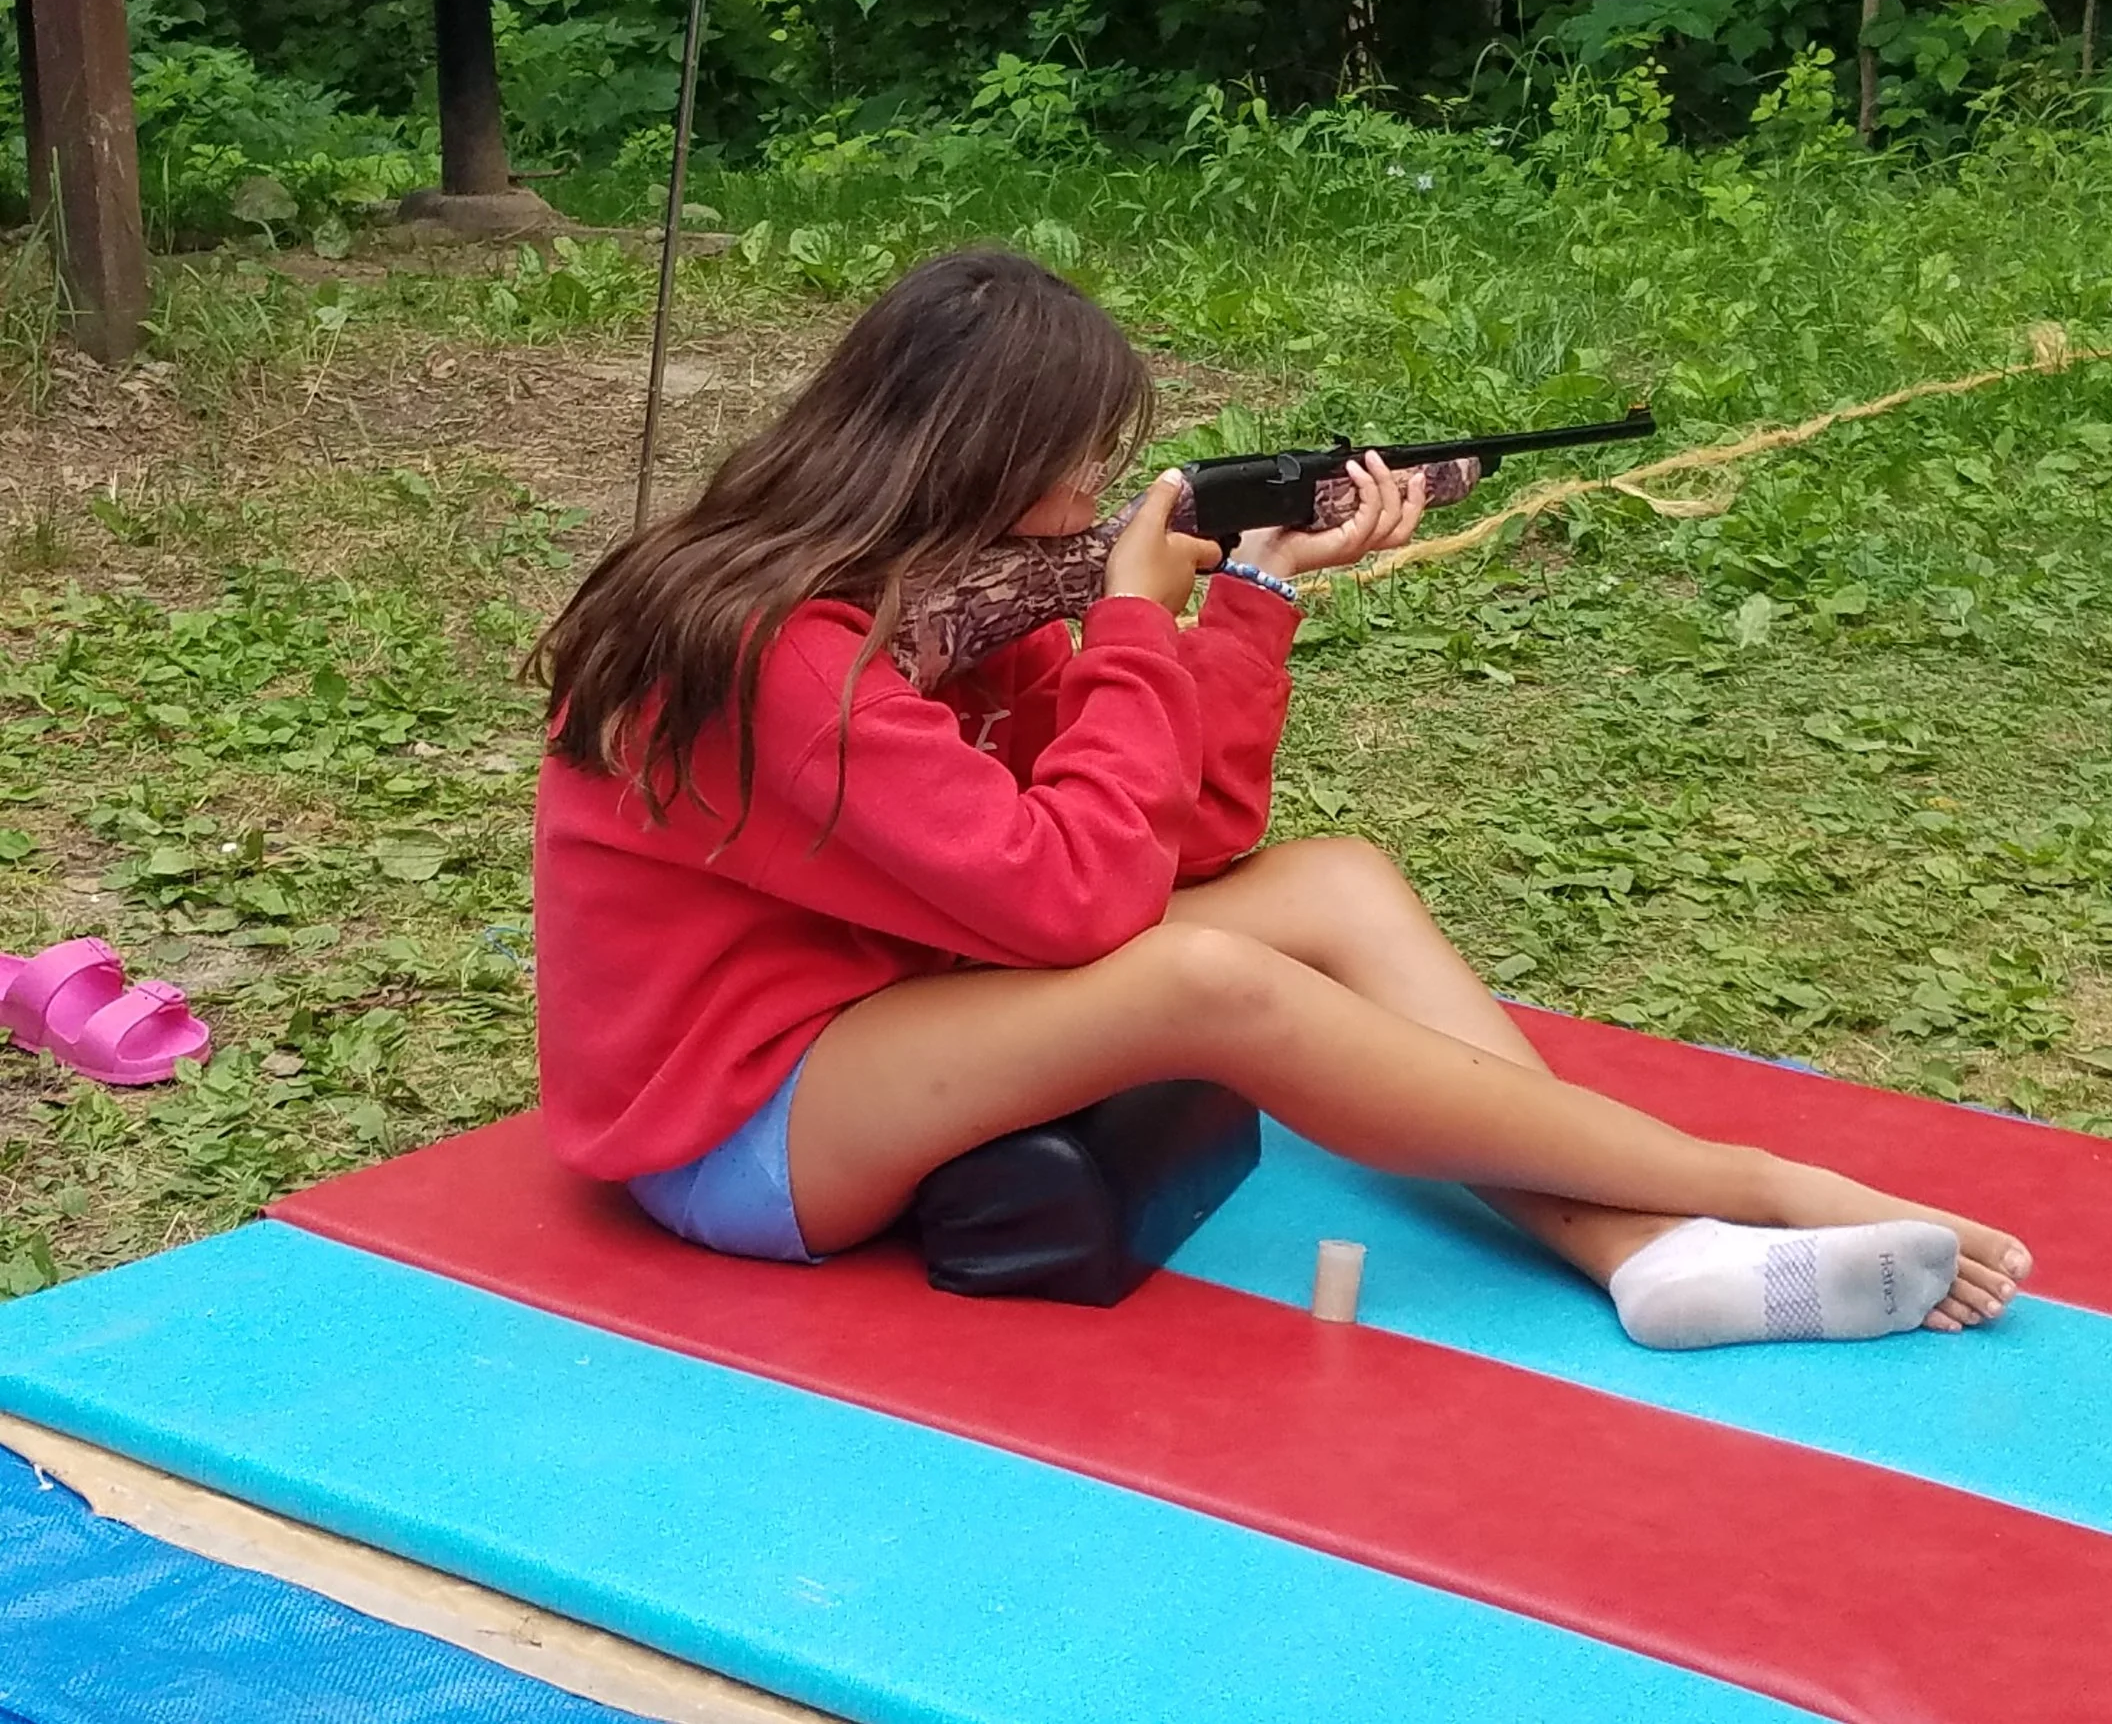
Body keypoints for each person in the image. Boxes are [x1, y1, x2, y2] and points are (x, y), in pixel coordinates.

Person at [530, 247, 2029, 1351]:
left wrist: (1246, 599)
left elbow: (1189, 834)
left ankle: (1639, 1246)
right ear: (970, 470)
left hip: (894, 1010)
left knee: (1336, 880)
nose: (1091, 506)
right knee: (1199, 977)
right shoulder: (775, 648)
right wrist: (1129, 618)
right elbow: (1079, 900)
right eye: (1077, 475)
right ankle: (1750, 1184)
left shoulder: (952, 598)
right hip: (732, 1128)